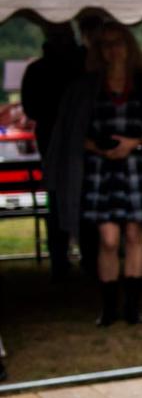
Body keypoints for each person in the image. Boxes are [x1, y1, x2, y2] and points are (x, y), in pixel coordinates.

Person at [42, 23, 142, 326]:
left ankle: (133, 308)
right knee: (108, 238)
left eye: (118, 43)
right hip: (100, 171)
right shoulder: (85, 87)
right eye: (106, 44)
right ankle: (109, 307)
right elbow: (72, 131)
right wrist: (96, 146)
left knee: (135, 233)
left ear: (128, 47)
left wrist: (134, 143)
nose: (113, 50)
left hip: (136, 167)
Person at [21, 23, 83, 279]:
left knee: (60, 201)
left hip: (61, 141)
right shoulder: (76, 66)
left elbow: (31, 108)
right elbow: (31, 108)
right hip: (60, 143)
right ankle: (64, 256)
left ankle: (64, 257)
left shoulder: (40, 70)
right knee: (61, 201)